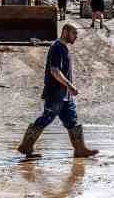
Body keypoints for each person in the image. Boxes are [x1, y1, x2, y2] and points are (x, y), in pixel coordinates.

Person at [16, 23, 98, 159]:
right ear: (65, 32)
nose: (76, 37)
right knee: (46, 118)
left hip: (64, 95)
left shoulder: (64, 48)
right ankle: (26, 146)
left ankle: (80, 150)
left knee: (72, 121)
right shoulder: (56, 48)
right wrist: (70, 86)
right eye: (74, 33)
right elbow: (54, 71)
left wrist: (68, 89)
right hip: (55, 93)